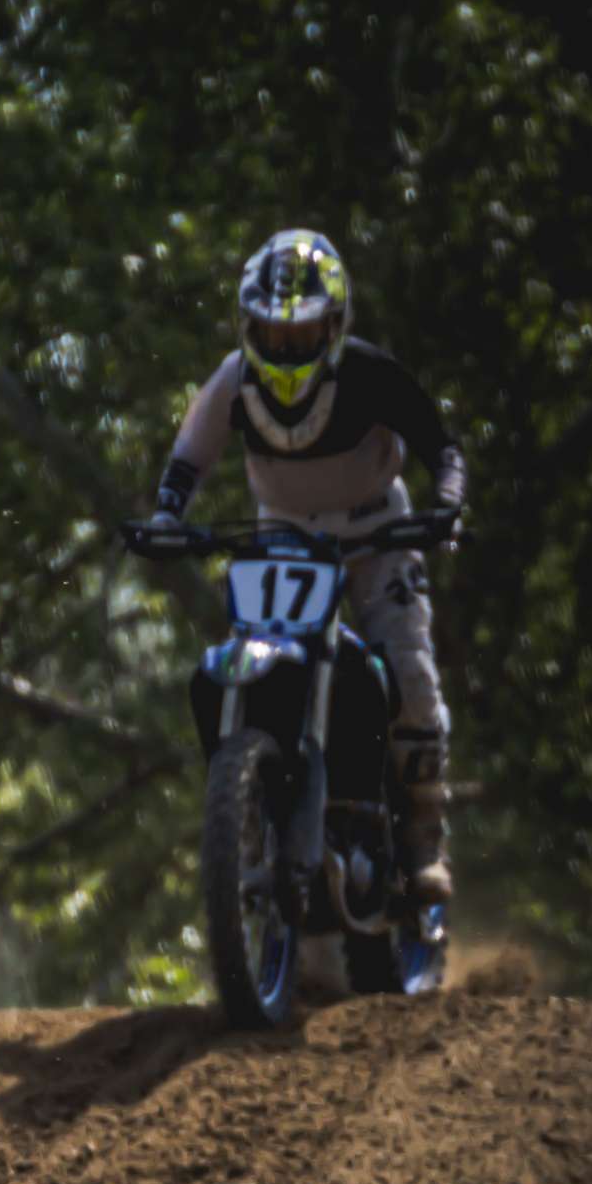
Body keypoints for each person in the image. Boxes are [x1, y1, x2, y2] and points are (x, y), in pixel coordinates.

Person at [152, 228, 467, 900]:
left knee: (410, 674)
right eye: (273, 332)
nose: (286, 347)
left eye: (301, 333)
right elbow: (188, 458)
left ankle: (422, 842)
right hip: (284, 535)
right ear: (248, 327)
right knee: (256, 663)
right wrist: (165, 518)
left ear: (334, 326)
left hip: (379, 531)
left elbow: (442, 448)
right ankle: (256, 816)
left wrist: (446, 505)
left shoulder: (370, 373)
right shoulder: (234, 381)